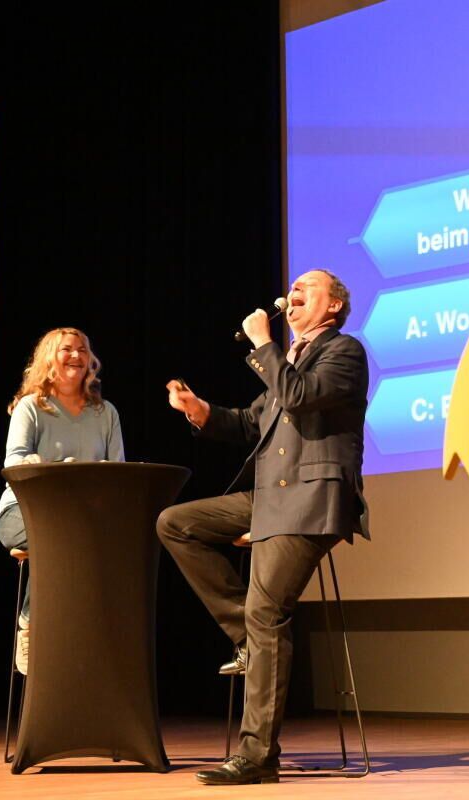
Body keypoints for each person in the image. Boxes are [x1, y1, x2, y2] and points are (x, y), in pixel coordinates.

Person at [158, 269, 369, 785]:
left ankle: (257, 756)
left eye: (306, 288)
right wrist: (200, 411)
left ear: (333, 306)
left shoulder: (343, 352)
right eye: (292, 288)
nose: (292, 293)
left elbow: (299, 397)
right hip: (270, 499)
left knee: (267, 611)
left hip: (310, 499)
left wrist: (262, 344)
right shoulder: (288, 361)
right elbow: (251, 423)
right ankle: (247, 636)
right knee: (176, 523)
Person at [0, 327, 125, 674]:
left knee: (96, 537)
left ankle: (90, 637)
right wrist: (55, 470)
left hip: (83, 517)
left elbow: (118, 473)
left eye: (82, 350)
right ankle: (30, 625)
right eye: (67, 349)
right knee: (59, 533)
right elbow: (14, 463)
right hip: (23, 512)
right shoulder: (31, 407)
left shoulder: (105, 413)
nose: (76, 356)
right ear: (48, 359)